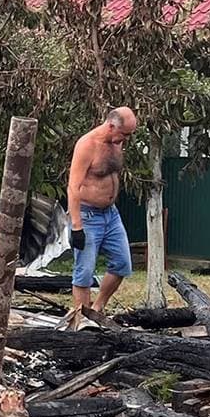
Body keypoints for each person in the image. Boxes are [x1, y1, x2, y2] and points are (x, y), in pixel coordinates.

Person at [67, 106, 138, 318]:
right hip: (88, 216)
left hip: (111, 214)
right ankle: (81, 317)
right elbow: (73, 187)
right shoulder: (87, 145)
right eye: (124, 134)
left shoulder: (116, 143)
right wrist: (77, 226)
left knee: (122, 263)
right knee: (85, 271)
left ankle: (97, 308)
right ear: (110, 126)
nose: (126, 139)